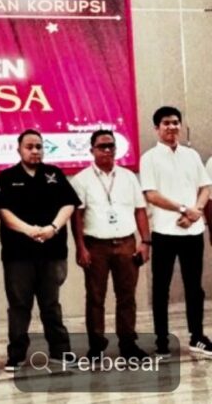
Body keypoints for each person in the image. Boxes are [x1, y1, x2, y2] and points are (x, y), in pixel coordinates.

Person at [0, 129, 80, 371]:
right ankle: (16, 355)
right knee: (19, 306)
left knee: (51, 304)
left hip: (52, 252)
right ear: (19, 149)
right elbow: (1, 211)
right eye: (29, 146)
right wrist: (28, 230)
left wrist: (53, 227)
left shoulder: (54, 174)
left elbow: (69, 204)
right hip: (18, 254)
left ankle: (60, 351)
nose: (35, 151)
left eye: (39, 146)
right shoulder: (7, 176)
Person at [71, 129, 151, 360]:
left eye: (111, 146)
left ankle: (128, 343)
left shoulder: (128, 176)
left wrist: (145, 242)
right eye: (102, 146)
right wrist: (80, 247)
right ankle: (96, 346)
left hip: (126, 243)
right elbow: (77, 217)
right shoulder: (81, 180)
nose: (107, 150)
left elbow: (140, 210)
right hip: (96, 246)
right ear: (92, 150)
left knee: (127, 296)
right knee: (95, 297)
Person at [140, 106, 212, 357]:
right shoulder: (149, 158)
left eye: (175, 122)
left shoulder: (191, 155)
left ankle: (197, 337)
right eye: (166, 123)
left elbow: (205, 187)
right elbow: (151, 194)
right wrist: (183, 209)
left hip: (193, 232)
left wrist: (196, 211)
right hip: (164, 232)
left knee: (195, 288)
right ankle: (162, 340)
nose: (172, 127)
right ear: (157, 128)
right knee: (161, 288)